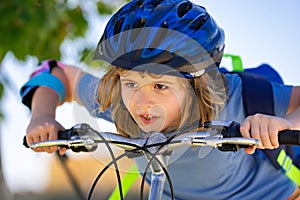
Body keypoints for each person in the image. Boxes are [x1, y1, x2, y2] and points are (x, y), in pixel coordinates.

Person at [20, 0, 300, 199]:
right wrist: (42, 116)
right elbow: (55, 71)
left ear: (198, 85)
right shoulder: (120, 105)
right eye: (130, 82)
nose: (142, 102)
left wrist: (283, 122)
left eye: (160, 85)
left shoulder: (238, 98)